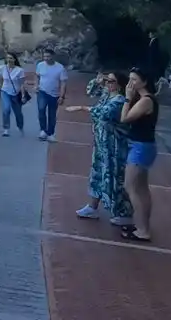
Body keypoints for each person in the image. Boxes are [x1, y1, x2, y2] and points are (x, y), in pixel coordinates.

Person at [64, 72, 133, 226]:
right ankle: (93, 207)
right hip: (102, 144)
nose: (108, 83)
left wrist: (82, 108)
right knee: (98, 175)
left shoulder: (119, 101)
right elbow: (91, 91)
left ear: (120, 84)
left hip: (114, 146)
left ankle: (124, 212)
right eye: (107, 80)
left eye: (111, 81)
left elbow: (104, 114)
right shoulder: (107, 95)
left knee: (115, 179)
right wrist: (97, 80)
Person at [119, 68, 160, 242]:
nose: (130, 84)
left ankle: (143, 230)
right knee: (141, 188)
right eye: (129, 80)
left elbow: (125, 118)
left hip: (141, 147)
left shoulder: (146, 101)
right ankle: (142, 226)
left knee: (131, 187)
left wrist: (128, 97)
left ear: (144, 82)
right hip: (143, 145)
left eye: (134, 80)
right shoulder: (146, 99)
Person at [33, 51, 68, 141]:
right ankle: (43, 130)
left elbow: (63, 83)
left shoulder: (60, 68)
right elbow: (37, 76)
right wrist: (36, 85)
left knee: (52, 114)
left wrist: (61, 96)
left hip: (54, 94)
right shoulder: (40, 65)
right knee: (41, 109)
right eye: (44, 56)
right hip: (42, 91)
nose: (46, 58)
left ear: (53, 56)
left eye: (48, 56)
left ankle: (50, 133)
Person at [0, 55, 28, 137]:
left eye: (11, 58)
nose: (9, 59)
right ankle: (6, 129)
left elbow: (22, 84)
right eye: (7, 58)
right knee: (6, 109)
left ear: (14, 59)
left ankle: (20, 126)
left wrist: (22, 96)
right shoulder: (2, 68)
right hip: (5, 92)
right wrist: (2, 88)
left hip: (16, 93)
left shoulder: (19, 70)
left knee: (18, 113)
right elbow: (0, 80)